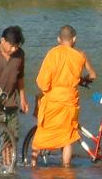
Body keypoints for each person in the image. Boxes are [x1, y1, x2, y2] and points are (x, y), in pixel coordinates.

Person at [31, 25, 97, 168]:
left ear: (58, 39)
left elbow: (42, 82)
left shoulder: (52, 54)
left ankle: (33, 165)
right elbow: (93, 75)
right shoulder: (80, 55)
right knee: (67, 138)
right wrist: (82, 80)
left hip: (53, 100)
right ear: (74, 39)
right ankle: (66, 168)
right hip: (69, 99)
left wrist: (50, 89)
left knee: (42, 133)